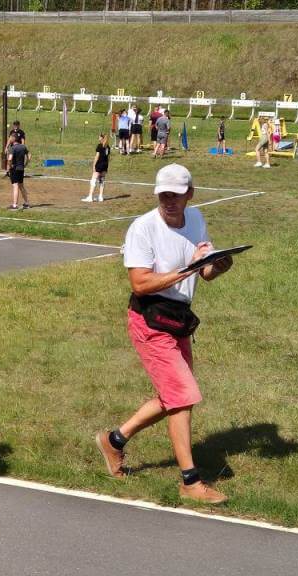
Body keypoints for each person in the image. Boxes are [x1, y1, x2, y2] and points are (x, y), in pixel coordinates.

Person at [95, 163, 233, 505]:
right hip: (150, 319)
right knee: (182, 395)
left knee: (174, 395)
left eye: (176, 195)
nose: (169, 201)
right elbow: (140, 283)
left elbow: (205, 273)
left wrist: (217, 266)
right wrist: (186, 269)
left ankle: (114, 440)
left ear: (190, 194)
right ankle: (190, 481)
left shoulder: (196, 218)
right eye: (163, 195)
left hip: (178, 318)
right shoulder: (142, 228)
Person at [83, 133, 111, 203]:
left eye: (99, 137)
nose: (98, 139)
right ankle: (100, 197)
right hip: (105, 165)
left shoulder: (100, 146)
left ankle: (90, 197)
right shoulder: (108, 147)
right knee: (102, 181)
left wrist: (93, 165)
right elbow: (108, 157)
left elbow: (97, 156)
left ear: (102, 138)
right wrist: (106, 165)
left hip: (99, 164)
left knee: (93, 180)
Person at [7, 134, 30, 210]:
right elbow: (29, 155)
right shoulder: (23, 147)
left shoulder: (12, 148)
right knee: (21, 186)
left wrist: (10, 166)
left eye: (10, 138)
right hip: (21, 169)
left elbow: (10, 159)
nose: (9, 139)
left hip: (15, 169)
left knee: (15, 185)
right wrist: (26, 164)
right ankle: (27, 203)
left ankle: (15, 205)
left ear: (14, 139)